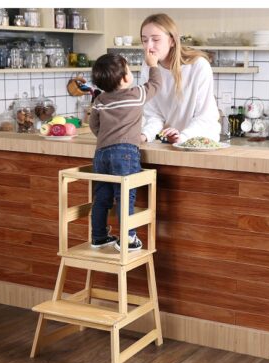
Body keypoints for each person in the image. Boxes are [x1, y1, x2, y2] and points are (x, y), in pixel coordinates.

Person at [89, 50, 161, 251]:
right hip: (126, 153)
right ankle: (127, 238)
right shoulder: (136, 94)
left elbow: (94, 125)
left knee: (101, 196)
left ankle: (99, 236)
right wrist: (152, 64)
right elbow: (156, 85)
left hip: (101, 153)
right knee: (124, 196)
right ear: (125, 77)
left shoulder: (100, 100)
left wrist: (106, 138)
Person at [139, 13, 221, 144]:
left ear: (172, 40)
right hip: (171, 141)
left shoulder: (198, 66)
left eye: (155, 39)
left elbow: (205, 116)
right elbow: (153, 114)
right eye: (144, 40)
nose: (149, 46)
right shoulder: (148, 67)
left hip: (200, 141)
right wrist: (145, 135)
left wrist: (182, 136)